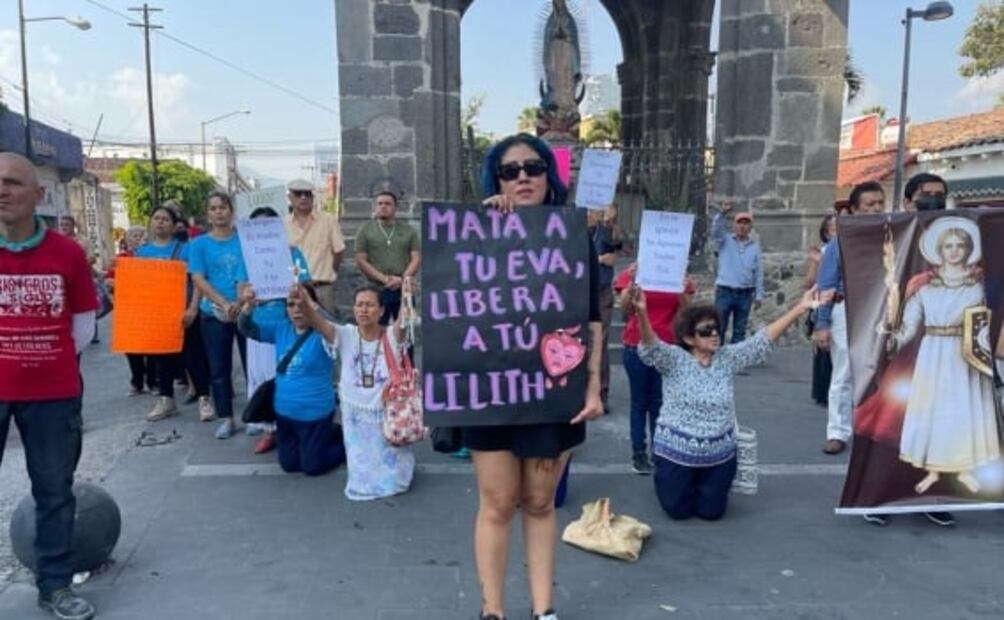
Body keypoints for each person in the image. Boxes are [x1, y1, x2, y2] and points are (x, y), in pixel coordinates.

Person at [470, 133, 604, 620]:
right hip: (490, 387)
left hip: (556, 383)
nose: (522, 176)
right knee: (500, 501)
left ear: (550, 176)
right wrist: (482, 227)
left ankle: (543, 611)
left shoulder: (574, 237)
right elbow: (455, 303)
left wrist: (592, 382)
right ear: (497, 180)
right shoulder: (474, 230)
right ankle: (492, 611)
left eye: (533, 167)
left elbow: (592, 316)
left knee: (540, 500)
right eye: (510, 170)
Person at [633, 283, 831, 521]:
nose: (715, 334)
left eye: (716, 329)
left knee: (712, 512)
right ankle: (678, 481)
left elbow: (761, 341)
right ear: (688, 338)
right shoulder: (674, 360)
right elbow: (650, 347)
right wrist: (642, 313)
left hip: (719, 455)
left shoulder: (726, 359)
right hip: (676, 453)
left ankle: (705, 484)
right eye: (705, 331)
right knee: (678, 510)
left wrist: (800, 308)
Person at [0, 152, 98, 620]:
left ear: (40, 195)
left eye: (13, 182)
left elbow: (83, 327)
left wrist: (43, 360)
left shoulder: (67, 254)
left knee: (54, 491)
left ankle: (55, 587)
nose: (2, 190)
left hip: (53, 394)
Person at [886, 218, 1000, 494]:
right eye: (948, 245)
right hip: (933, 354)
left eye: (960, 245)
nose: (953, 250)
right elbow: (909, 326)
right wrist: (892, 339)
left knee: (964, 409)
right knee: (934, 411)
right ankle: (933, 471)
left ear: (968, 249)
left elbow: (991, 323)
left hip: (966, 356)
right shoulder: (924, 287)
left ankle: (965, 469)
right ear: (939, 249)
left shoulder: (980, 287)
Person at [237, 282, 346, 475]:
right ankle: (318, 440)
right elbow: (246, 328)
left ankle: (345, 441)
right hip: (285, 415)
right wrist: (249, 304)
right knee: (290, 465)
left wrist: (313, 306)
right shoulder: (281, 329)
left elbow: (339, 327)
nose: (296, 310)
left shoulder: (324, 333)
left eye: (301, 304)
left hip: (315, 415)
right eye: (290, 304)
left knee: (312, 467)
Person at [814, 182, 885, 455]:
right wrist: (822, 323)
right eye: (869, 204)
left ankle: (873, 429)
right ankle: (837, 432)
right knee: (843, 372)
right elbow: (827, 282)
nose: (876, 208)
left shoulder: (891, 236)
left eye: (879, 202)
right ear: (854, 210)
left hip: (879, 309)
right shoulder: (839, 242)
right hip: (845, 309)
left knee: (877, 371)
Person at [332, 284, 416, 500]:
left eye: (369, 305)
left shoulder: (390, 335)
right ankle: (364, 482)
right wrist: (304, 302)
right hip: (355, 410)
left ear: (381, 310)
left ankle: (394, 480)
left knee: (390, 453)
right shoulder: (346, 334)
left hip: (386, 407)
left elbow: (402, 324)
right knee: (361, 456)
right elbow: (318, 323)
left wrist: (407, 298)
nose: (363, 310)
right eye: (359, 305)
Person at [242, 206, 312, 454]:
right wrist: (248, 298)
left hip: (288, 325)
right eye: (257, 226)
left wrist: (290, 290)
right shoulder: (247, 257)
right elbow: (241, 290)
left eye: (268, 225)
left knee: (288, 376)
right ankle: (269, 430)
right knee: (262, 377)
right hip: (261, 325)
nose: (263, 230)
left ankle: (292, 428)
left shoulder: (293, 254)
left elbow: (306, 284)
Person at [614, 261, 694, 474]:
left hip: (666, 347)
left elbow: (687, 312)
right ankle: (638, 453)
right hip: (636, 344)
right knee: (639, 403)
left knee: (660, 402)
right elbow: (624, 308)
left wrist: (682, 288)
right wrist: (631, 283)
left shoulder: (678, 273)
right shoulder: (634, 270)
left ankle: (660, 452)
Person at [134, 205, 208, 421]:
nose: (160, 222)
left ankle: (204, 397)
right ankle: (166, 399)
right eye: (156, 218)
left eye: (165, 219)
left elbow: (197, 280)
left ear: (175, 224)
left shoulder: (187, 249)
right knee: (161, 359)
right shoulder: (142, 253)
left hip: (184, 312)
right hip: (157, 315)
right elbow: (138, 286)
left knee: (193, 356)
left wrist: (193, 308)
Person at [188, 191, 248, 440]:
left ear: (231, 210)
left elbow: (246, 272)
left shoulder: (244, 240)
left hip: (244, 308)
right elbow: (198, 278)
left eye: (222, 207)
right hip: (213, 312)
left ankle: (255, 415)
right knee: (219, 368)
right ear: (208, 214)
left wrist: (239, 301)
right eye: (213, 209)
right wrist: (223, 303)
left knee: (251, 365)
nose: (218, 212)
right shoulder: (199, 244)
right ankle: (226, 417)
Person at [354, 190, 421, 325]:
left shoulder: (408, 230)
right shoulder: (365, 230)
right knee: (376, 328)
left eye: (387, 204)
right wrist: (384, 279)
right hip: (376, 288)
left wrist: (401, 279)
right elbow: (361, 260)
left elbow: (416, 257)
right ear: (375, 207)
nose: (383, 206)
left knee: (406, 329)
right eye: (380, 204)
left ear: (395, 207)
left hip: (403, 288)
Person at [283, 179, 346, 318]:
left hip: (321, 288)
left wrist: (331, 270)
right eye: (299, 194)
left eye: (308, 194)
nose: (304, 197)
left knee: (328, 331)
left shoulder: (328, 220)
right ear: (290, 197)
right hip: (294, 290)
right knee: (297, 331)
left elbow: (339, 251)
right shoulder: (282, 224)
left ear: (313, 197)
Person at [108, 225, 156, 395]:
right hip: (128, 308)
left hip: (148, 307)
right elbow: (109, 280)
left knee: (151, 347)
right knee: (131, 347)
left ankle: (152, 381)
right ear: (127, 239)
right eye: (133, 235)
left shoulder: (151, 257)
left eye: (140, 235)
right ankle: (137, 381)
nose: (136, 238)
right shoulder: (120, 259)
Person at [711, 202, 763, 344]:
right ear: (734, 225)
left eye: (746, 223)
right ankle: (718, 362)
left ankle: (735, 363)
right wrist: (722, 214)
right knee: (719, 328)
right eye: (739, 223)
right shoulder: (724, 240)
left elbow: (758, 272)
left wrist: (759, 295)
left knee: (740, 332)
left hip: (745, 294)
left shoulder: (755, 247)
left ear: (750, 227)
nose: (742, 226)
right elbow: (715, 230)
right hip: (725, 291)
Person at [588, 206, 619, 412]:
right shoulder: (574, 227)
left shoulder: (605, 229)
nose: (593, 212)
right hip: (578, 290)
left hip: (601, 291)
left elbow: (615, 249)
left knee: (601, 341)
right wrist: (597, 259)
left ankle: (602, 393)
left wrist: (611, 223)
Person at [806, 215, 837, 407]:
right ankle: (823, 392)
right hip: (823, 302)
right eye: (834, 229)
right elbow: (809, 282)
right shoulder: (824, 251)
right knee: (823, 349)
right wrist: (817, 262)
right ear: (826, 233)